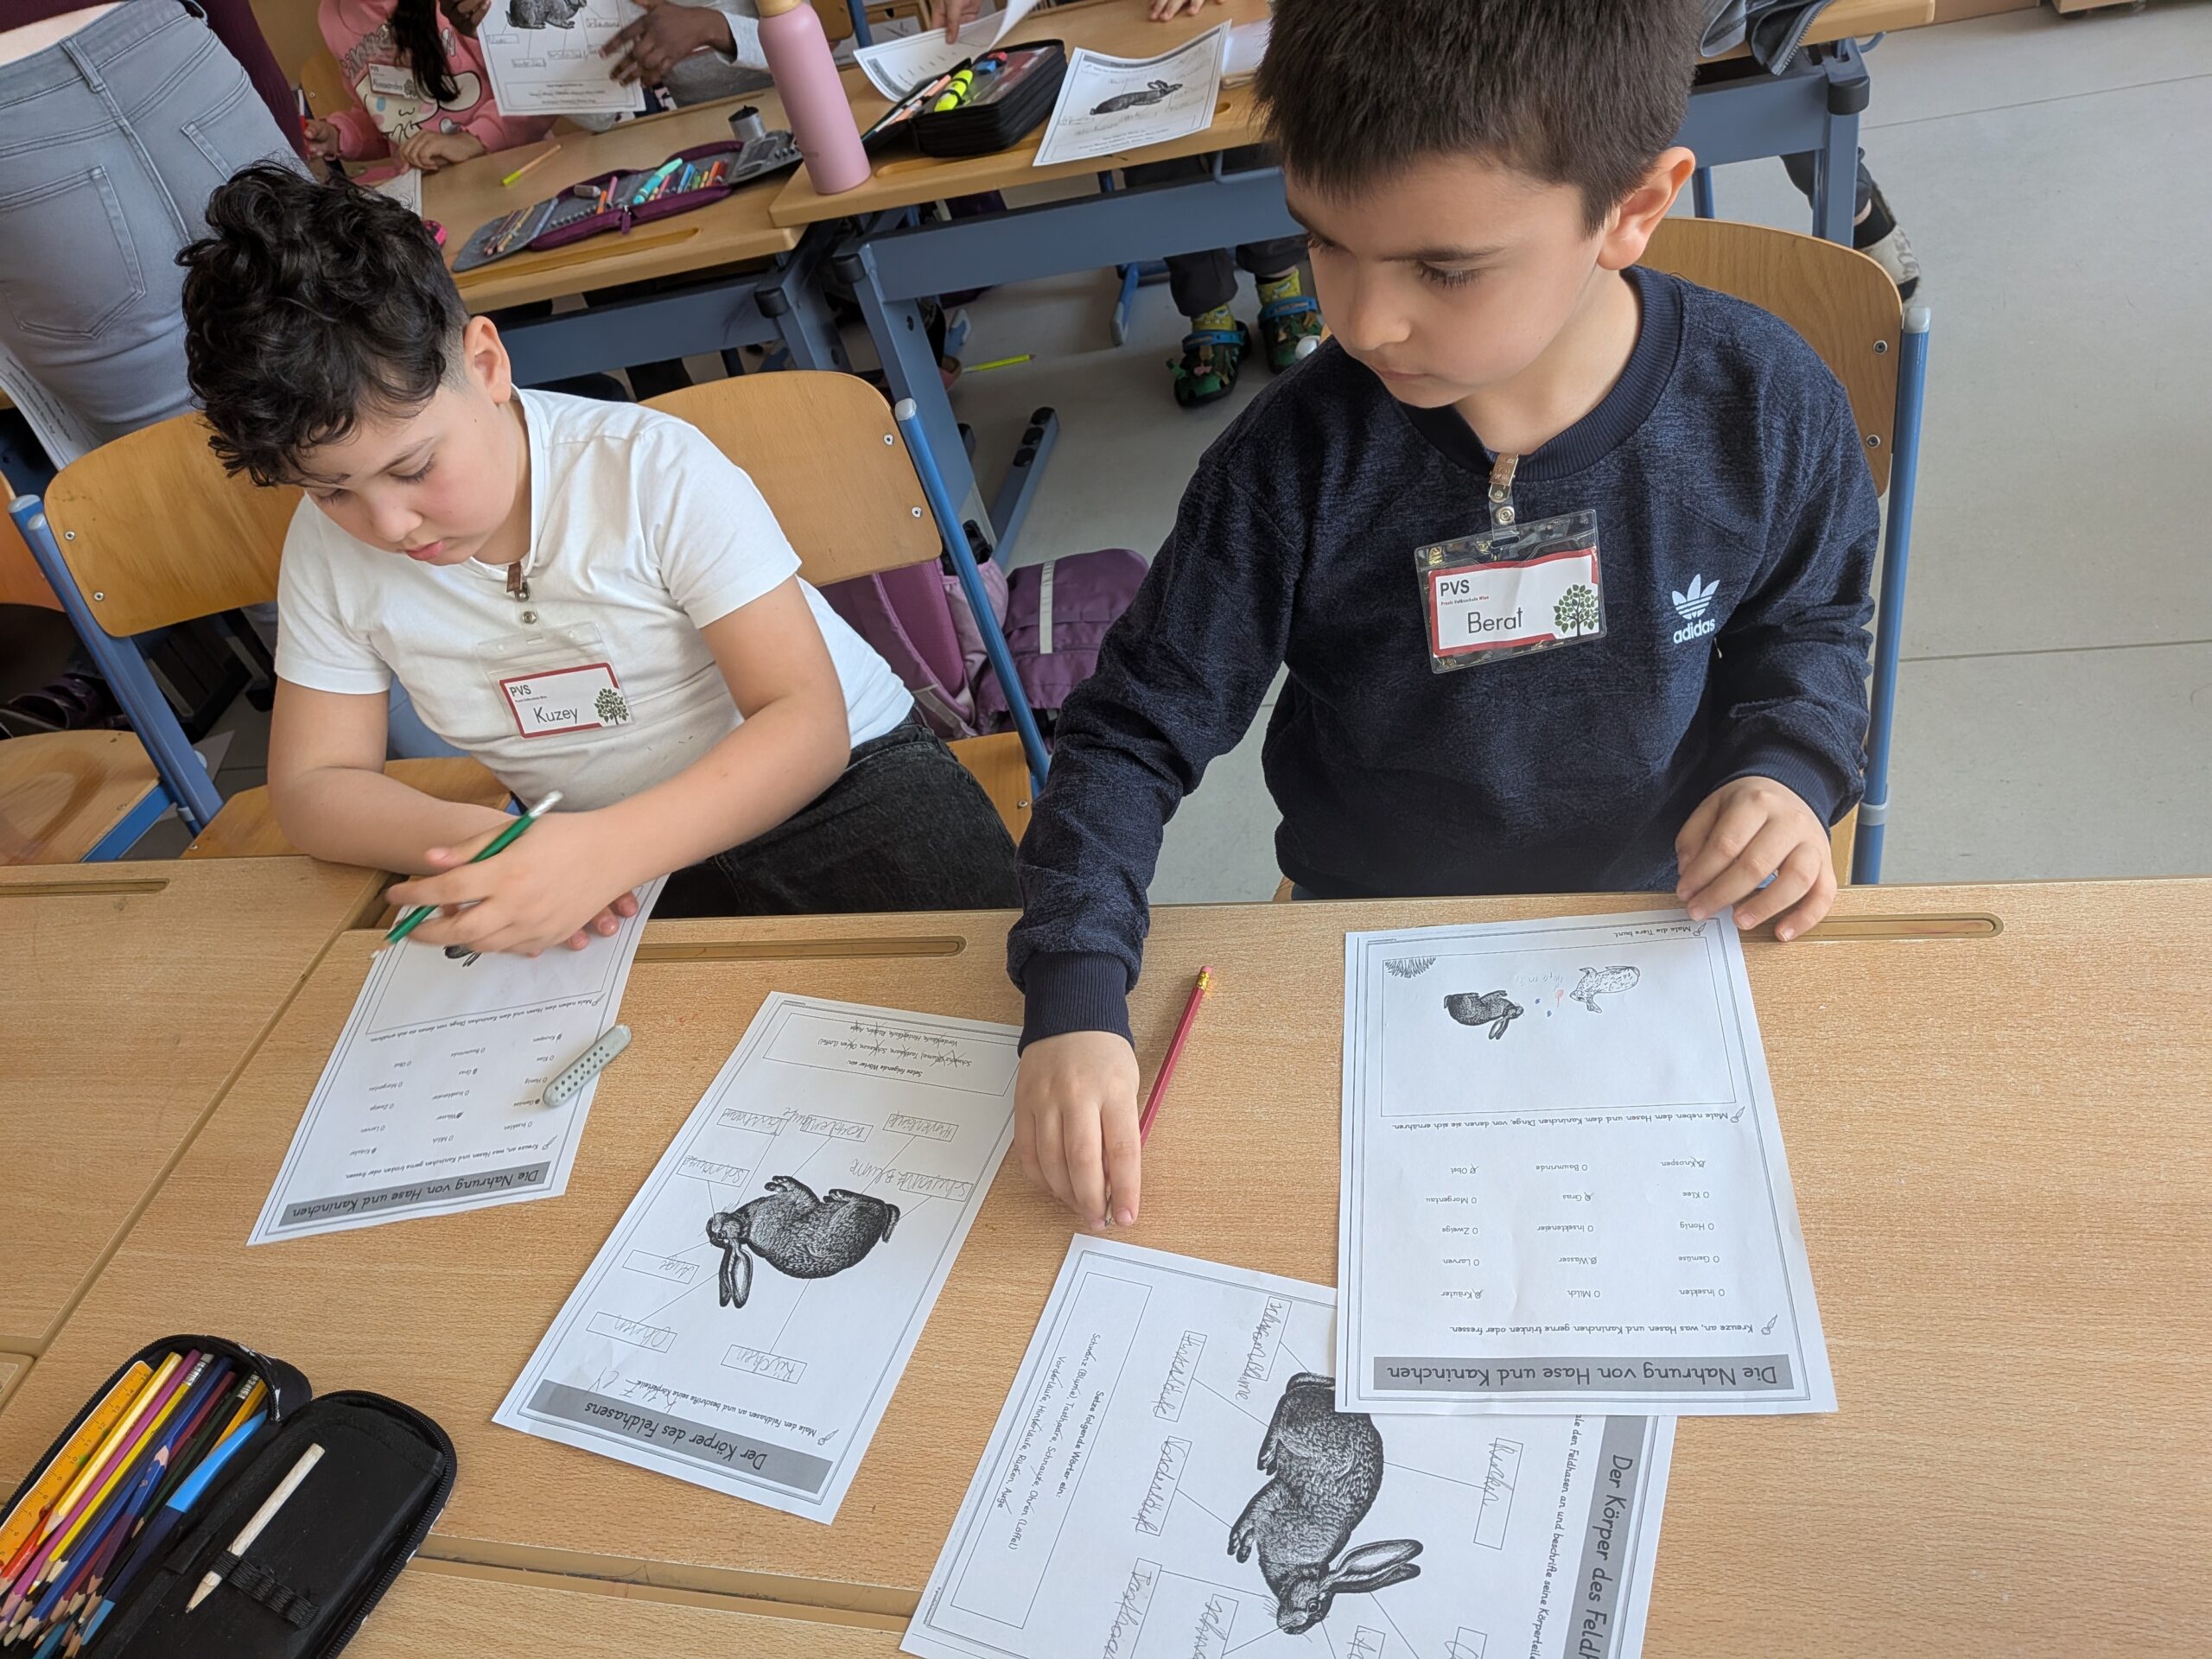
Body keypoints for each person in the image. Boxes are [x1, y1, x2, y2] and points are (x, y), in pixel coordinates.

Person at [1007, 0, 1877, 1227]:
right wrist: (1075, 987)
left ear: (1632, 208)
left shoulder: (1765, 403)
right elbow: (1130, 731)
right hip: (1372, 930)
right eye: (1323, 242)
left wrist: (1789, 769)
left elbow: (1812, 630)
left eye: (1445, 269)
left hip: (1655, 921)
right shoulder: (1294, 460)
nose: (1361, 322)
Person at [177, 164, 1021, 950]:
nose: (389, 523)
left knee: (986, 998)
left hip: (842, 790)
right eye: (332, 491)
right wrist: (500, 845)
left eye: (413, 468)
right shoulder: (328, 547)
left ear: (485, 364)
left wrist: (599, 852)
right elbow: (314, 783)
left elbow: (806, 725)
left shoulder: (647, 467)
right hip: (604, 851)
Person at [936, 0, 1321, 405]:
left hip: (1227, 19)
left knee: (1252, 132)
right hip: (1120, 27)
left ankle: (1280, 281)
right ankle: (1209, 310)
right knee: (1155, 158)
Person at [303, 0, 550, 174]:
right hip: (433, 192)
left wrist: (472, 140)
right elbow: (389, 118)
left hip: (516, 168)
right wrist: (340, 135)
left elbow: (537, 81)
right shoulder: (331, 17)